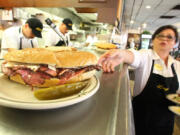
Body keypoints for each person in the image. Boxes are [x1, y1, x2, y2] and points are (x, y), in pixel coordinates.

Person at [98, 25, 180, 135]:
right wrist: (122, 54)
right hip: (141, 123)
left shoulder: (178, 66)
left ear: (175, 43)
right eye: (160, 36)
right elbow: (133, 56)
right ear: (153, 40)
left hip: (166, 124)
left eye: (169, 37)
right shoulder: (146, 56)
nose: (164, 38)